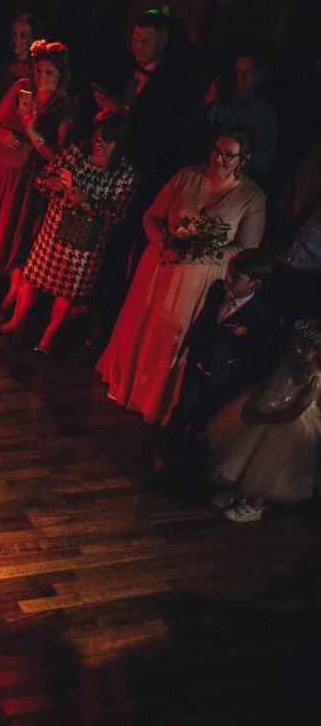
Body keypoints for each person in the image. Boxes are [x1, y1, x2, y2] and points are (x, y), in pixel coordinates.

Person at [97, 125, 267, 425]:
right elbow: (151, 216)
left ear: (245, 159)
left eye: (229, 155)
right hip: (162, 265)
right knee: (145, 323)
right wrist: (165, 242)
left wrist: (203, 252)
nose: (219, 159)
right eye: (217, 150)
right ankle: (129, 384)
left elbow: (247, 249)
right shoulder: (187, 175)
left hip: (202, 278)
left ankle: (157, 399)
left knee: (172, 334)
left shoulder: (252, 197)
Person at [91, 10, 199, 334]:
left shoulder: (178, 78)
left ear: (164, 40)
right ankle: (90, 303)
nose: (137, 47)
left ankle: (110, 317)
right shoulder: (126, 66)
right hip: (114, 167)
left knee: (127, 245)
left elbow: (167, 132)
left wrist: (122, 113)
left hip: (145, 174)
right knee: (104, 238)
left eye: (145, 41)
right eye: (135, 40)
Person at [0, 110, 137, 355]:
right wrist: (51, 183)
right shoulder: (76, 153)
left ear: (118, 143)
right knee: (32, 276)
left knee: (68, 288)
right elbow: (42, 178)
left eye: (106, 141)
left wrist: (86, 201)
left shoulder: (124, 173)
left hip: (84, 241)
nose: (98, 144)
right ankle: (17, 321)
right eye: (96, 138)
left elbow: (117, 213)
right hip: (53, 228)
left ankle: (49, 333)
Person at [0, 38, 78, 310]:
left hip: (27, 177)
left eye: (49, 73)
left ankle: (11, 296)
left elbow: (58, 157)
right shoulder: (21, 88)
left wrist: (33, 131)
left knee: (17, 230)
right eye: (38, 71)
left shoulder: (66, 104)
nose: (42, 78)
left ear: (60, 74)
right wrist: (2, 132)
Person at [159, 249, 274, 466]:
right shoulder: (217, 290)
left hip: (221, 375)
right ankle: (165, 453)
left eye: (236, 278)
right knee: (183, 409)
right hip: (197, 362)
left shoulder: (259, 315)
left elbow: (252, 350)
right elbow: (204, 319)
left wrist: (237, 343)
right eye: (229, 273)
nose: (228, 280)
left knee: (204, 416)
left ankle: (187, 457)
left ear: (255, 284)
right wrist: (190, 346)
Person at [205, 319, 321, 523]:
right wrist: (251, 403)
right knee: (245, 453)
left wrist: (264, 417)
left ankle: (254, 505)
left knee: (269, 466)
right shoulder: (288, 360)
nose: (298, 350)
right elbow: (267, 382)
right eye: (296, 344)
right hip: (264, 409)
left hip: (285, 425)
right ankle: (238, 490)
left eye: (304, 348)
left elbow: (295, 411)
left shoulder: (315, 377)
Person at [202, 50, 278, 183]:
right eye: (237, 70)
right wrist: (209, 99)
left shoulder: (265, 114)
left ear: (260, 75)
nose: (240, 76)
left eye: (247, 72)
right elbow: (197, 129)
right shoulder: (220, 99)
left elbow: (263, 160)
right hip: (204, 170)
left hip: (235, 181)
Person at [0, 13, 40, 104]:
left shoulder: (36, 70)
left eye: (23, 35)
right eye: (14, 34)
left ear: (32, 38)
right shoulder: (2, 62)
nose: (16, 39)